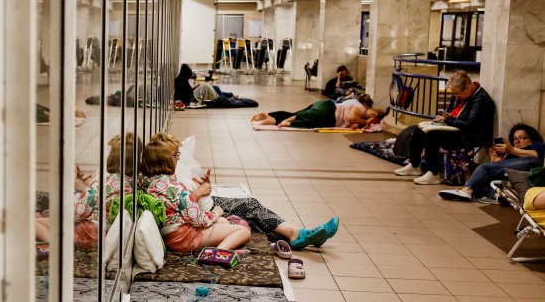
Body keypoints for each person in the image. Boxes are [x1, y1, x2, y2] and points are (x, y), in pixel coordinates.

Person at [151, 132, 338, 249]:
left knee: (251, 217)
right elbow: (183, 202)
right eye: (175, 154)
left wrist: (203, 186)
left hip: (204, 206)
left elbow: (186, 195)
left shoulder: (174, 170)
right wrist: (200, 193)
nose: (178, 158)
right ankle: (296, 234)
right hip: (203, 211)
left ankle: (296, 236)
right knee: (249, 207)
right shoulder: (168, 179)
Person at [140, 140, 251, 253]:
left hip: (167, 236)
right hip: (183, 238)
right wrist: (216, 212)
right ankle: (215, 253)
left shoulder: (145, 183)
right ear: (167, 160)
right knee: (243, 231)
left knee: (222, 222)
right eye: (174, 156)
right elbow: (198, 220)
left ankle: (222, 248)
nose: (177, 159)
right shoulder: (175, 187)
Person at [393, 70, 495, 185]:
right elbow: (455, 113)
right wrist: (447, 116)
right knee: (420, 130)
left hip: (472, 135)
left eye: (457, 93)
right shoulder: (464, 96)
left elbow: (470, 125)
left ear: (467, 87)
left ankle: (434, 172)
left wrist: (448, 120)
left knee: (433, 136)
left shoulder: (481, 99)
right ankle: (414, 164)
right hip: (459, 128)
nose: (456, 96)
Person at [439, 124, 545, 203]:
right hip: (513, 173)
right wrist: (496, 162)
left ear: (532, 139)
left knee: (484, 168)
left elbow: (536, 155)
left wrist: (511, 150)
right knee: (482, 179)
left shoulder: (538, 146)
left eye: (522, 138)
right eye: (515, 139)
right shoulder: (510, 153)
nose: (517, 141)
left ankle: (467, 190)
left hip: (532, 165)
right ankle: (498, 196)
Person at [34, 166, 99, 248]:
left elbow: (76, 215)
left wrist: (85, 189)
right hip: (88, 225)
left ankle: (56, 247)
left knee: (35, 224)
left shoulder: (104, 186)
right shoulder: (110, 181)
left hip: (87, 230)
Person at [252, 94, 382, 129]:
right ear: (367, 106)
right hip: (329, 110)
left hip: (326, 106)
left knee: (296, 113)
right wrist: (366, 121)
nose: (372, 114)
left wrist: (361, 124)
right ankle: (283, 122)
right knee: (307, 117)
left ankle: (271, 116)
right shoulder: (361, 107)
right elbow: (353, 117)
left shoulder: (357, 107)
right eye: (373, 112)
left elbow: (353, 123)